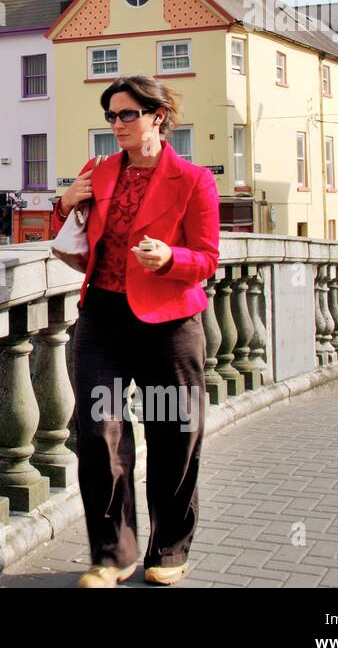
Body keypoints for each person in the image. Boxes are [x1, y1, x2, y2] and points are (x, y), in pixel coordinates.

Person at [52, 75, 220, 588]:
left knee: (174, 437)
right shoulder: (98, 172)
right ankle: (113, 553)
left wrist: (172, 258)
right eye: (110, 116)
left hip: (168, 323)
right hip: (102, 316)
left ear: (157, 117)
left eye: (127, 114)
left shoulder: (193, 179)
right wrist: (63, 202)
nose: (117, 125)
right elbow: (66, 236)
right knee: (98, 433)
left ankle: (168, 550)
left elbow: (209, 258)